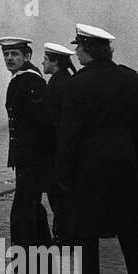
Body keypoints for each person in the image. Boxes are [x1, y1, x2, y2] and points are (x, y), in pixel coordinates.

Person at [56, 23, 138, 274]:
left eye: (78, 47)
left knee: (88, 233)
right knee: (130, 233)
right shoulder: (131, 79)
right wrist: (134, 163)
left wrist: (63, 173)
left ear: (88, 50)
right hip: (123, 164)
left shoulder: (77, 84)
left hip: (88, 167)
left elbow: (69, 134)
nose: (75, 52)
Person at [0, 37, 52, 274]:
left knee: (22, 214)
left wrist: (28, 157)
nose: (9, 59)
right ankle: (46, 267)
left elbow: (38, 124)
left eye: (15, 54)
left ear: (27, 56)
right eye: (6, 55)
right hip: (31, 157)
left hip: (31, 157)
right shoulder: (29, 79)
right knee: (34, 210)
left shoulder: (28, 81)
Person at [40, 42, 77, 246]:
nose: (43, 62)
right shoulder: (67, 80)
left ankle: (64, 236)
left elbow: (53, 121)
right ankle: (66, 234)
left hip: (56, 152)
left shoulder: (55, 85)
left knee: (58, 195)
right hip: (63, 150)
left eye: (46, 59)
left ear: (54, 62)